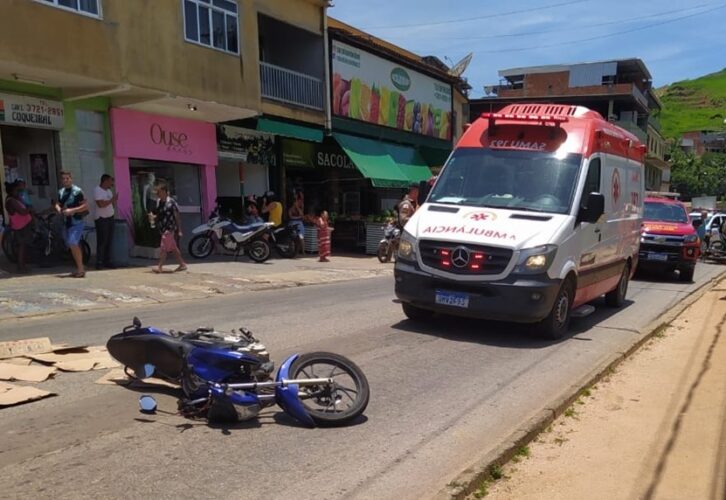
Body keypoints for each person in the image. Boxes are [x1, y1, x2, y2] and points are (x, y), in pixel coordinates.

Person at [55, 171, 88, 278]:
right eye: (63, 179)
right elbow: (57, 203)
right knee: (72, 244)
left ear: (71, 179)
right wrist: (59, 209)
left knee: (73, 243)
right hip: (66, 222)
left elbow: (85, 206)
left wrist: (72, 210)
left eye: (67, 178)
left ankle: (81, 269)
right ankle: (80, 266)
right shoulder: (61, 192)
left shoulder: (77, 192)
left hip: (77, 221)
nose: (65, 180)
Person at [150, 182, 187, 274]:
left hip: (169, 228)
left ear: (164, 192)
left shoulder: (171, 202)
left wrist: (179, 229)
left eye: (159, 192)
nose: (157, 194)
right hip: (162, 227)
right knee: (173, 248)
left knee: (163, 247)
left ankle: (160, 266)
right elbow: (159, 213)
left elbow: (177, 216)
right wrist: (154, 217)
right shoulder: (159, 202)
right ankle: (182, 264)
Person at [5, 181, 33, 273]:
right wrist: (29, 207)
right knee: (22, 246)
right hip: (21, 226)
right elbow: (23, 212)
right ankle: (21, 267)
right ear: (12, 191)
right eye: (17, 191)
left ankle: (22, 265)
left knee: (23, 246)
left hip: (23, 225)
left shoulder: (14, 199)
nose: (19, 192)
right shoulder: (11, 201)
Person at [94, 174, 117, 270]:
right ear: (105, 181)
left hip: (110, 217)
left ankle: (108, 260)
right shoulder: (97, 190)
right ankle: (99, 261)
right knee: (102, 240)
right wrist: (111, 200)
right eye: (111, 181)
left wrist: (112, 202)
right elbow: (100, 204)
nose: (112, 183)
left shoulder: (109, 191)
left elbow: (112, 204)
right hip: (101, 218)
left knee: (109, 240)